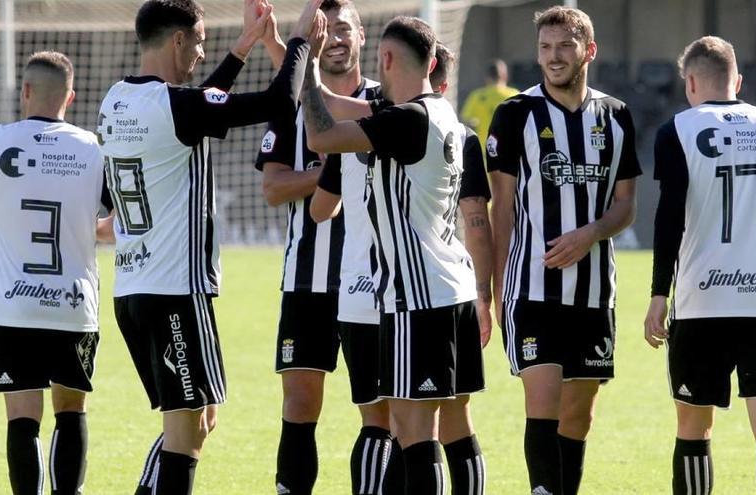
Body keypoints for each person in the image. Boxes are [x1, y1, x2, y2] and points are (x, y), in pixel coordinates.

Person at [96, 0, 325, 493]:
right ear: (177, 40)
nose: (202, 52)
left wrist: (241, 47)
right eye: (199, 41)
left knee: (196, 420)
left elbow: (199, 106)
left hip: (134, 289)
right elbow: (278, 104)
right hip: (176, 292)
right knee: (186, 431)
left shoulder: (118, 100)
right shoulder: (177, 107)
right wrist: (302, 42)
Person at [302, 16, 488, 494]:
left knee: (413, 434)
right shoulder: (441, 115)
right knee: (455, 425)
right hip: (456, 290)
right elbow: (347, 105)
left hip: (415, 299)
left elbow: (322, 136)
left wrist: (304, 63)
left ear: (384, 59)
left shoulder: (406, 121)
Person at [644, 36, 756, 495]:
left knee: (694, 425)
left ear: (690, 83)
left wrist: (658, 295)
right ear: (737, 80)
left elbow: (668, 220)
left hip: (701, 300)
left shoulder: (677, 130)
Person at [487, 6, 641, 494]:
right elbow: (502, 211)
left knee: (578, 415)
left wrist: (591, 233)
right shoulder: (515, 114)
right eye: (545, 48)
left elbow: (625, 207)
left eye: (564, 47)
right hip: (531, 288)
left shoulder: (616, 116)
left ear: (588, 51)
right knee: (544, 402)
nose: (553, 58)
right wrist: (492, 291)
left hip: (595, 293)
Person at [0, 51, 110, 495]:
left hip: (11, 305)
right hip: (73, 306)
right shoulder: (94, 149)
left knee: (22, 420)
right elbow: (128, 219)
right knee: (71, 411)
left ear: (24, 92)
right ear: (70, 98)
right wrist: (89, 229)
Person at [253, 1, 388, 493]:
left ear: (362, 37)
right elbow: (272, 189)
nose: (335, 38)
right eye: (325, 30)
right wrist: (337, 166)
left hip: (375, 282)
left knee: (378, 408)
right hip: (306, 279)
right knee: (300, 404)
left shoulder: (386, 103)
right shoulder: (290, 106)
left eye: (344, 29)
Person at [460, 59, 518, 152]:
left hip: (484, 150)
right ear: (505, 76)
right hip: (508, 151)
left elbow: (466, 120)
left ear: (487, 77)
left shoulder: (477, 96)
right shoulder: (514, 95)